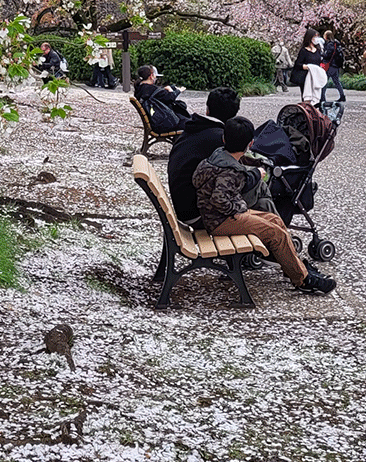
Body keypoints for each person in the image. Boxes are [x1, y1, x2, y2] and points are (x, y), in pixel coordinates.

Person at [193, 116, 336, 294]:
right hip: (220, 221)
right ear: (250, 144)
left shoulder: (217, 156)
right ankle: (303, 280)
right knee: (274, 233)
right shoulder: (229, 169)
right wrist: (239, 208)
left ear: (224, 139)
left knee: (274, 220)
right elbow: (219, 200)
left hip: (217, 216)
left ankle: (294, 266)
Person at [167, 87, 241, 224]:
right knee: (259, 197)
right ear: (234, 116)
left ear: (207, 109)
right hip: (197, 214)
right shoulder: (221, 139)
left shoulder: (193, 129)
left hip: (183, 206)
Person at [134, 65, 189, 135]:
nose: (155, 77)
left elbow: (161, 93)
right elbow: (170, 98)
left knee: (192, 119)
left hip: (156, 121)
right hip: (166, 124)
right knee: (194, 123)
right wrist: (175, 90)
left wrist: (171, 88)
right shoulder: (151, 89)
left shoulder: (140, 89)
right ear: (151, 76)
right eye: (155, 76)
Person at [292, 28, 327, 105]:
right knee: (307, 99)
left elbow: (321, 61)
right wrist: (307, 67)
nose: (316, 39)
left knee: (320, 98)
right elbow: (298, 64)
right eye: (314, 37)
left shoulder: (318, 50)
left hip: (316, 77)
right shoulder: (304, 51)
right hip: (306, 77)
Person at [320, 30, 346, 104]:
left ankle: (322, 97)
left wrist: (321, 53)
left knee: (325, 81)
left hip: (331, 65)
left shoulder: (330, 44)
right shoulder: (336, 43)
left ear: (326, 36)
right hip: (336, 65)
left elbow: (328, 55)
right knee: (336, 81)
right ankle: (342, 96)